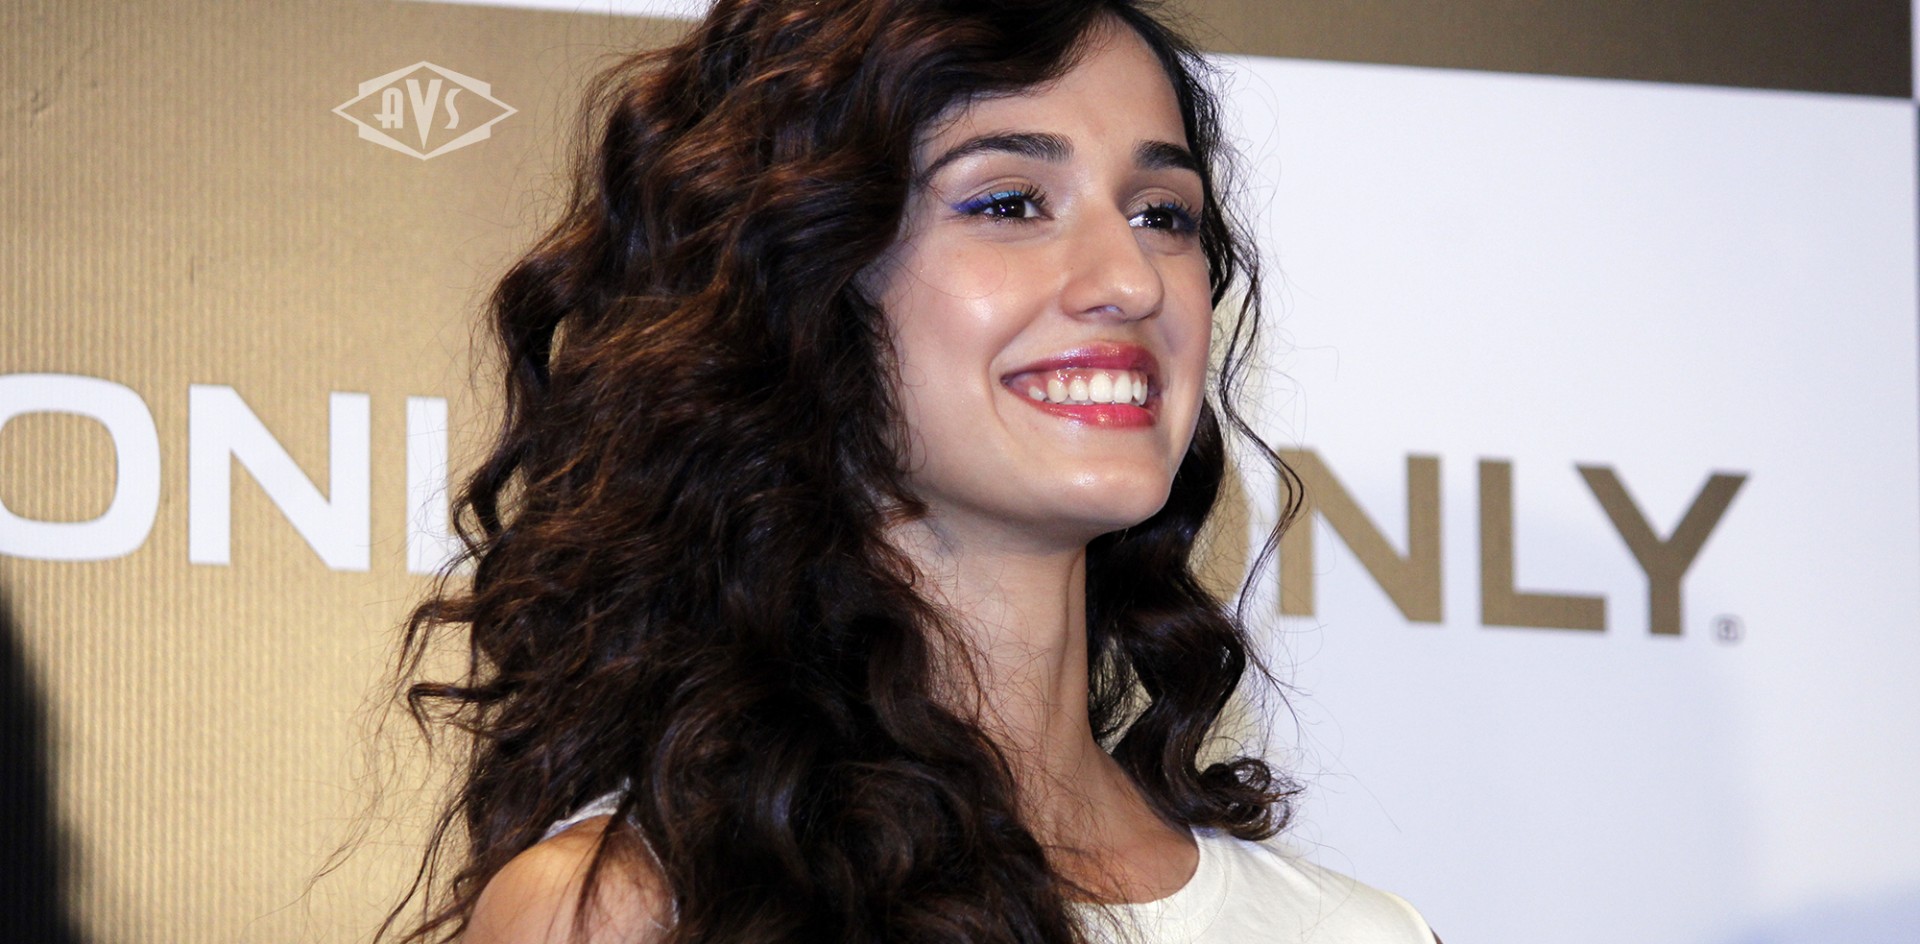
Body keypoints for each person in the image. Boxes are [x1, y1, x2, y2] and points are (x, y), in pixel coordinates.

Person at [387, 1, 1438, 941]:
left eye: (1163, 213)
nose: (1130, 279)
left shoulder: (1355, 932)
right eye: (1009, 202)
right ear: (802, 277)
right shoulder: (632, 910)